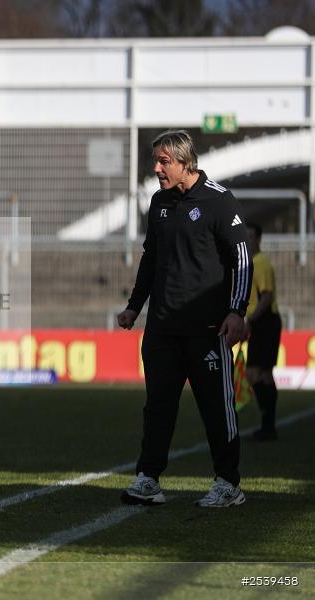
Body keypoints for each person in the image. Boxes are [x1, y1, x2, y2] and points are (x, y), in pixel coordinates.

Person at [117, 130, 251, 508]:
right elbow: (151, 258)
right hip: (161, 327)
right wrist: (134, 306)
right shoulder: (159, 202)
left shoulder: (219, 201)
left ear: (185, 162)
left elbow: (242, 259)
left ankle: (228, 483)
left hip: (207, 329)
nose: (157, 169)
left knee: (216, 408)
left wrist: (236, 311)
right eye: (156, 161)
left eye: (164, 162)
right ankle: (148, 478)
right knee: (158, 407)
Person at [243, 222, 282, 441]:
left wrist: (251, 320)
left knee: (253, 373)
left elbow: (267, 296)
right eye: (245, 237)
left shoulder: (261, 263)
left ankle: (268, 425)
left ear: (258, 239)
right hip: (263, 321)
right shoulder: (252, 263)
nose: (248, 241)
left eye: (251, 237)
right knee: (265, 374)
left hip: (265, 322)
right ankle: (269, 427)